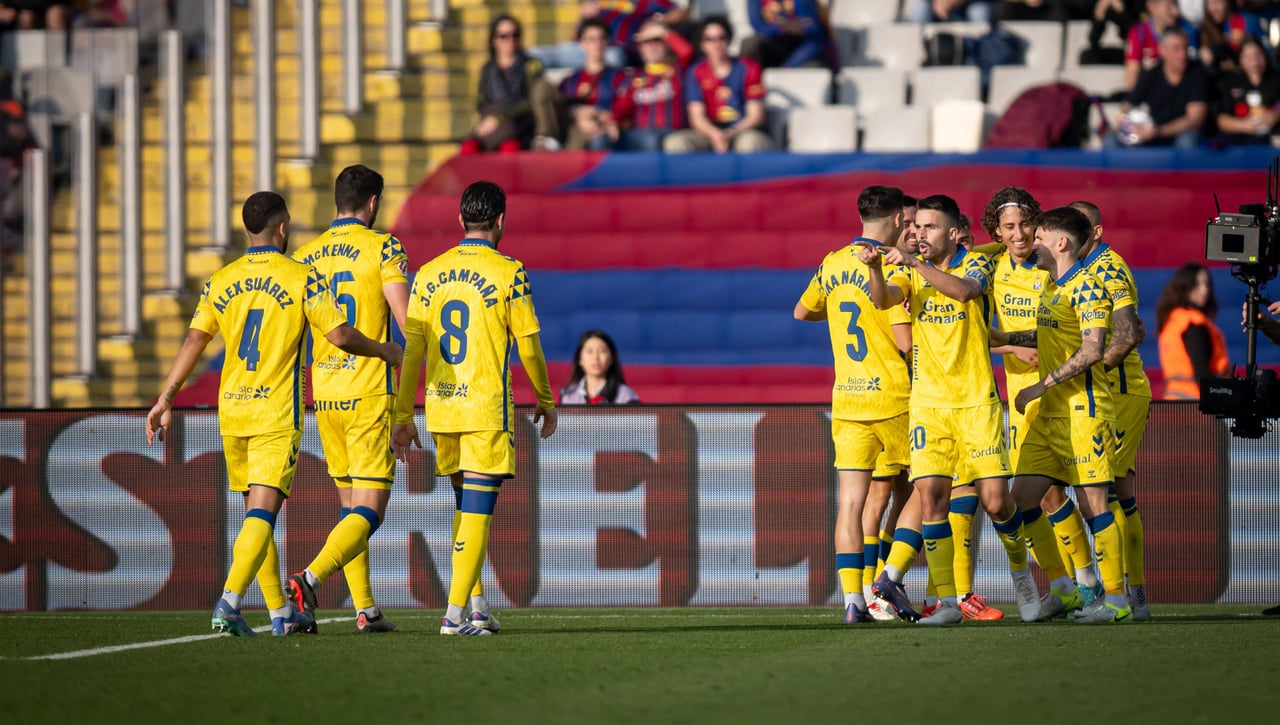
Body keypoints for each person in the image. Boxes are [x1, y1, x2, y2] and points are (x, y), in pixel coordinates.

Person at [144, 191, 401, 637]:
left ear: (246, 230)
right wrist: (384, 350)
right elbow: (339, 335)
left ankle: (281, 614)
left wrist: (166, 398)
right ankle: (230, 601)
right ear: (282, 228)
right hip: (275, 413)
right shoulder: (300, 276)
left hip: (233, 411)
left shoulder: (221, 280)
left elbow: (194, 341)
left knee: (255, 515)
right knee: (262, 514)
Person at [861, 193, 1041, 625]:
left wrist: (913, 262)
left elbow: (964, 292)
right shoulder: (911, 270)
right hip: (929, 404)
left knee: (996, 503)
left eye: (930, 227)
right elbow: (883, 300)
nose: (920, 234)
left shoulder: (976, 264)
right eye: (917, 227)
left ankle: (1023, 577)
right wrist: (875, 270)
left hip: (975, 402)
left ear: (954, 232)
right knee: (932, 500)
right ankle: (946, 604)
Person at [391, 181, 558, 636]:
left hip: (442, 408)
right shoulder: (509, 272)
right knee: (478, 513)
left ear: (460, 220)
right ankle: (453, 616)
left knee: (466, 511)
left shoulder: (428, 273)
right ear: (501, 221)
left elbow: (413, 351)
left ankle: (478, 606)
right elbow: (529, 346)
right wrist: (545, 399)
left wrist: (403, 415)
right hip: (484, 408)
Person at [283, 165, 409, 635]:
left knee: (351, 507)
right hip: (369, 391)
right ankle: (309, 578)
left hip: (325, 394)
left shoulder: (304, 256)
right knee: (370, 510)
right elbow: (406, 321)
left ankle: (366, 609)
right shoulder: (384, 247)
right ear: (373, 203)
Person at [998, 206, 1131, 624]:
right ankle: (1066, 586)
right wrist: (999, 337)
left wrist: (1042, 384)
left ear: (1061, 243)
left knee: (1094, 506)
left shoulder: (1088, 287)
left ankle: (1117, 601)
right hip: (1049, 416)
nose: (1031, 243)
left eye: (1039, 237)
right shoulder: (1051, 286)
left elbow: (1092, 349)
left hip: (1082, 412)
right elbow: (1048, 334)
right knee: (1021, 500)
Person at [975, 188, 1103, 615]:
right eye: (1008, 226)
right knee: (1035, 496)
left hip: (1065, 390)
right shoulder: (991, 265)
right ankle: (1068, 584)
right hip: (1021, 396)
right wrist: (1012, 347)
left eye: (1026, 224)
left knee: (1079, 494)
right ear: (996, 230)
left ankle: (1092, 582)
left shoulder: (1051, 264)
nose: (1019, 234)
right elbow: (977, 336)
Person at [794, 185, 913, 624]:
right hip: (895, 396)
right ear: (898, 219)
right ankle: (890, 577)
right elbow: (905, 340)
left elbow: (801, 312)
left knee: (851, 504)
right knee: (933, 486)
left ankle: (853, 601)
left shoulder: (832, 263)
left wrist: (837, 306)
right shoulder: (891, 267)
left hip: (847, 399)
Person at [1073, 199, 1154, 620]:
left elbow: (1125, 336)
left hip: (1119, 391)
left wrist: (1084, 370)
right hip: (1108, 391)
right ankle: (1133, 598)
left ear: (1097, 232)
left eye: (1080, 226)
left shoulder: (1109, 268)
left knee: (1104, 494)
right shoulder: (1082, 270)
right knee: (1117, 494)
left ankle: (1122, 597)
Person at [664, 16, 773, 154]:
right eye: (709, 39)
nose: (716, 43)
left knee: (749, 142)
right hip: (710, 131)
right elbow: (697, 117)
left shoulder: (749, 67)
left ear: (729, 40)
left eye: (721, 38)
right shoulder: (696, 71)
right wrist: (715, 134)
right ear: (702, 44)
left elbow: (755, 115)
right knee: (676, 142)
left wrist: (732, 132)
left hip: (742, 130)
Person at [460, 15, 561, 154]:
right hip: (491, 121)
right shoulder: (487, 69)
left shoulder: (531, 65)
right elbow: (481, 102)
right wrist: (486, 121)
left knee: (510, 148)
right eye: (504, 36)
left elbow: (532, 101)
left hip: (519, 123)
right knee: (469, 148)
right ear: (494, 40)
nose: (510, 40)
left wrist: (500, 118)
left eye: (515, 35)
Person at [1107, 27, 1208, 148]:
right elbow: (1127, 106)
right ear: (1162, 50)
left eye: (1185, 48)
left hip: (1181, 132)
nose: (1182, 54)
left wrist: (1159, 131)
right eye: (1176, 49)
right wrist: (1128, 126)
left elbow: (1195, 120)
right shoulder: (1150, 75)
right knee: (1111, 140)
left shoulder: (1197, 74)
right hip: (1153, 132)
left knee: (1187, 141)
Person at [611, 20, 695, 151]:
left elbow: (687, 51)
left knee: (656, 139)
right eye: (646, 42)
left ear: (667, 44)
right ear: (640, 48)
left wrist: (663, 32)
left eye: (657, 40)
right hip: (642, 136)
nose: (651, 46)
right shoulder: (633, 77)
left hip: (672, 133)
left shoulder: (678, 70)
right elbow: (620, 110)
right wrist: (612, 123)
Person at [1157, 262, 1229, 399]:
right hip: (1196, 401)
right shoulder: (1193, 323)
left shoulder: (1173, 320)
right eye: (1197, 284)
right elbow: (1202, 373)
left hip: (1174, 400)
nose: (1204, 290)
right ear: (1184, 287)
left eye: (1207, 284)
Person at [558, 19, 626, 151]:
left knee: (599, 139)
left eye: (602, 38)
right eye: (591, 39)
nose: (597, 44)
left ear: (608, 42)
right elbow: (560, 110)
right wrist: (578, 114)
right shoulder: (569, 81)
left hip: (607, 131)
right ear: (582, 43)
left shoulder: (620, 77)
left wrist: (602, 117)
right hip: (576, 131)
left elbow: (625, 107)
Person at [741, 0, 840, 71]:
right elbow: (758, 26)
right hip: (772, 47)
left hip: (800, 49)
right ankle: (749, 85)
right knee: (749, 44)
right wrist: (784, 28)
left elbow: (812, 27)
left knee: (814, 68)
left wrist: (789, 66)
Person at [1216, 37, 1280, 144]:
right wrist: (1244, 125)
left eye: (1258, 54)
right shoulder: (1230, 82)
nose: (1254, 61)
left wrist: (1276, 115)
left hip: (1272, 137)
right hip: (1240, 138)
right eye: (1248, 56)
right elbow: (1221, 120)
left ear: (1265, 56)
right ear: (1240, 59)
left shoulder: (1276, 79)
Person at [1124, 0, 1200, 90]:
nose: (1175, 11)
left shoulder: (1187, 31)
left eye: (1176, 5)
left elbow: (1193, 73)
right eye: (1169, 6)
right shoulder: (1139, 33)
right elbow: (1131, 77)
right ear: (1151, 7)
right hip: (1150, 92)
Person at [559, 329, 641, 404]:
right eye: (589, 351)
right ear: (580, 359)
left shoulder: (625, 396)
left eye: (602, 351)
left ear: (612, 358)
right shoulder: (567, 396)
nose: (596, 357)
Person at [1198, 0, 1267, 77]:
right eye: (1210, 3)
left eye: (1218, 2)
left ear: (1228, 2)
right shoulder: (1206, 28)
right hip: (1220, 77)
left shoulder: (1247, 21)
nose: (1214, 8)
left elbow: (1265, 51)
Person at [907, 0, 996, 23]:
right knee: (920, 10)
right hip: (937, 8)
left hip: (970, 7)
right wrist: (936, 2)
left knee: (979, 13)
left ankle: (983, 53)